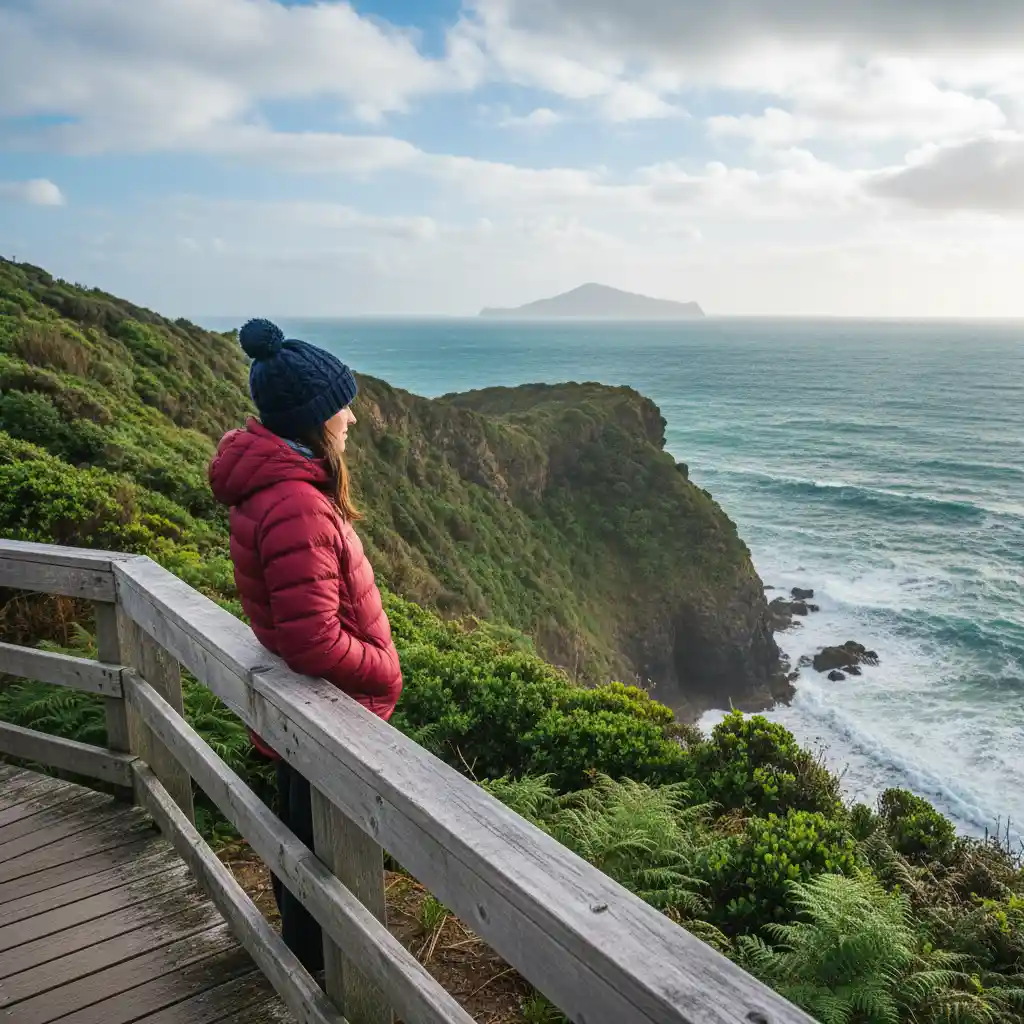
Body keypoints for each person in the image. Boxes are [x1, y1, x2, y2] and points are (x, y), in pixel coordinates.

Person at [209, 318, 403, 974]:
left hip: (311, 711)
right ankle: (320, 986)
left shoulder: (281, 488)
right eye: (339, 405)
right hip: (327, 711)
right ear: (313, 418)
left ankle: (309, 970)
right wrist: (382, 669)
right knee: (323, 871)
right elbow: (311, 635)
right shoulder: (296, 502)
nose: (350, 416)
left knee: (305, 855)